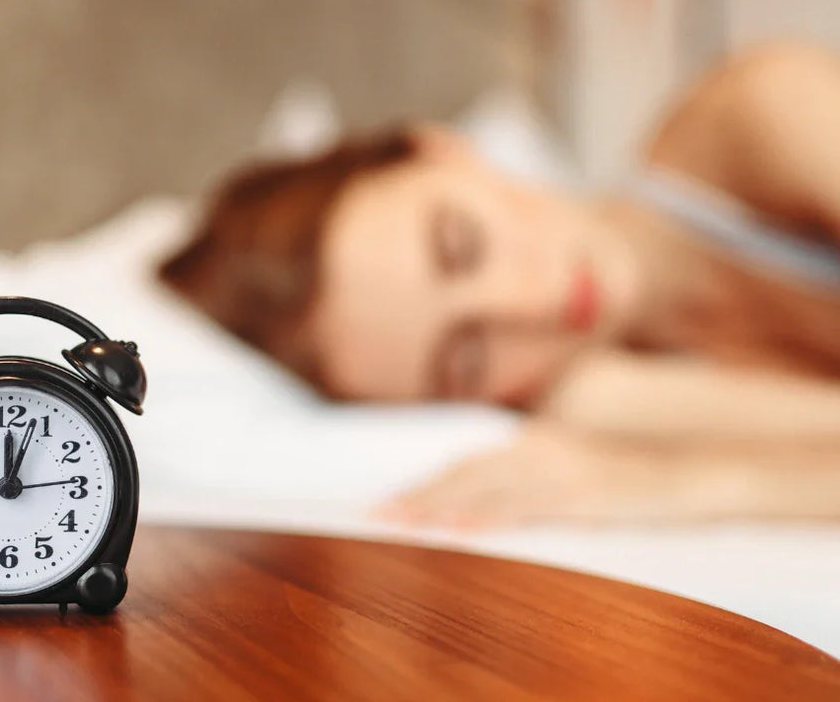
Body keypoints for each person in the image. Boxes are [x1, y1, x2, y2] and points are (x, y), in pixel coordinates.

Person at [160, 43, 840, 527]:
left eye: (462, 244)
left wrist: (679, 483)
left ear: (445, 151)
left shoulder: (760, 119)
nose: (531, 305)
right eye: (468, 357)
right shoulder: (601, 397)